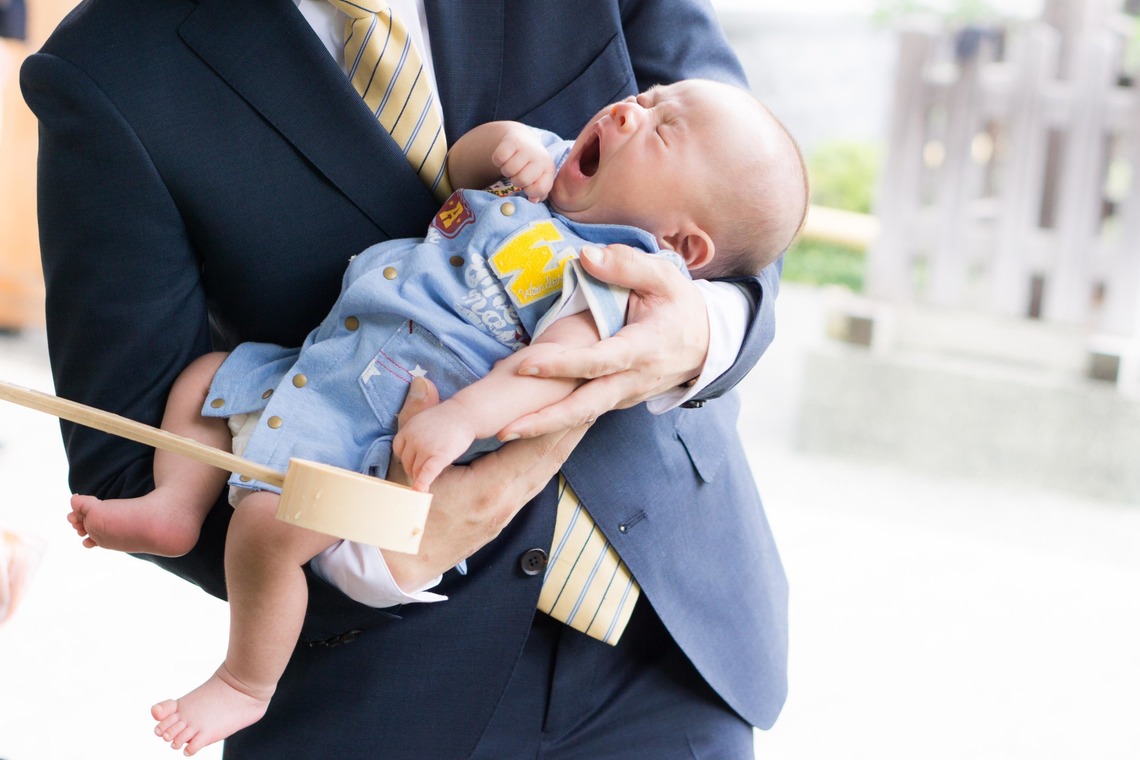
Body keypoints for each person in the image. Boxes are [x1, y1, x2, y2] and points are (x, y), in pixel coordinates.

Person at [23, 1, 793, 757]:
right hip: (380, 686)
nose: (630, 114)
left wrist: (696, 331)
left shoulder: (609, 268)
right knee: (206, 387)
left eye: (656, 124)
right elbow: (122, 447)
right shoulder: (108, 66)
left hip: (670, 645)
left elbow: (743, 194)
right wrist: (374, 558)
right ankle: (241, 668)